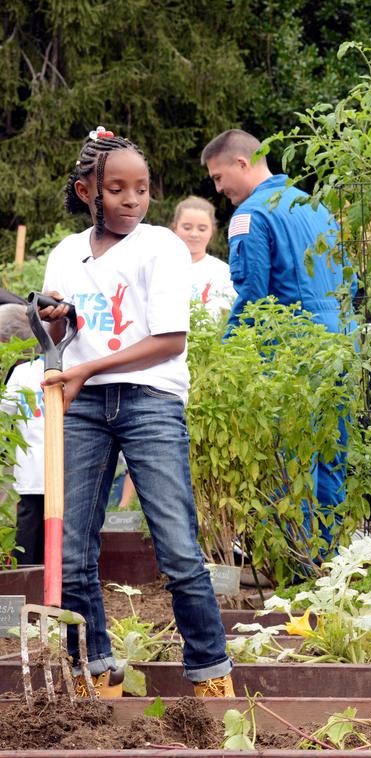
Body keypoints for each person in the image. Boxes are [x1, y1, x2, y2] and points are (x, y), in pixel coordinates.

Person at [39, 126, 234, 697]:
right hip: (84, 405)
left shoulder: (162, 247)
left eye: (142, 189)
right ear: (85, 191)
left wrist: (85, 369)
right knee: (72, 549)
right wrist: (55, 320)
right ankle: (94, 669)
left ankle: (210, 673)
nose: (132, 200)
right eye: (117, 189)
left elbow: (170, 340)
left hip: (150, 401)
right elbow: (61, 334)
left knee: (176, 546)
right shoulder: (64, 254)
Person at [201, 129, 353, 555]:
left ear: (241, 164)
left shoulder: (250, 216)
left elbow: (252, 294)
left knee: (292, 461)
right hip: (342, 344)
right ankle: (331, 560)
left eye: (217, 177)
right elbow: (350, 280)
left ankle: (299, 565)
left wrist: (225, 355)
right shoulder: (315, 206)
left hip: (295, 351)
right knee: (331, 455)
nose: (218, 189)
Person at [0, 304, 44, 566]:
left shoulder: (20, 373)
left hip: (29, 470)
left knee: (28, 526)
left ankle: (27, 581)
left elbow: (4, 417)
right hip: (65, 471)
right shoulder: (66, 367)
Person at [173, 195, 237, 316]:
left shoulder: (224, 273)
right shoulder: (160, 266)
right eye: (187, 227)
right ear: (175, 227)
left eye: (202, 229)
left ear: (212, 231)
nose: (194, 234)